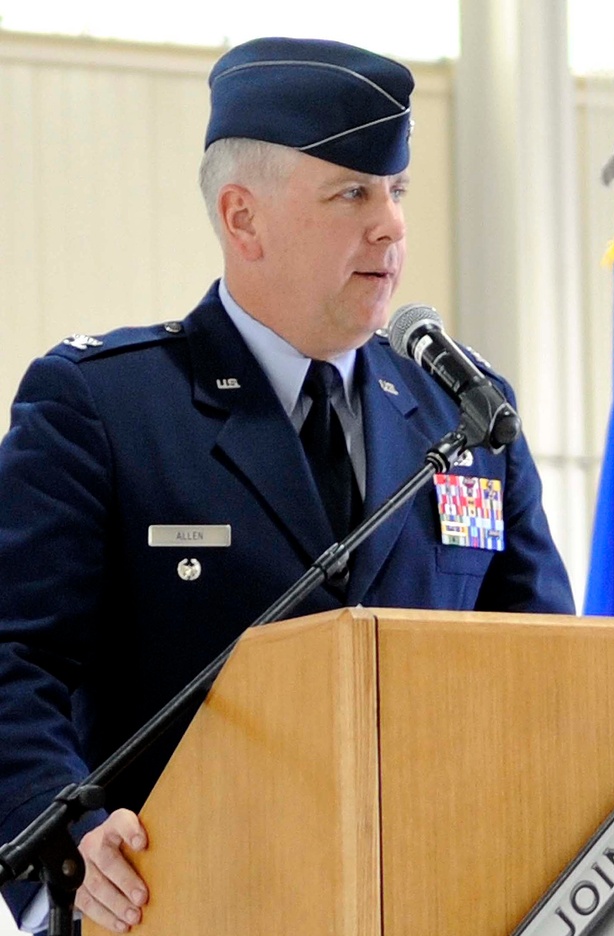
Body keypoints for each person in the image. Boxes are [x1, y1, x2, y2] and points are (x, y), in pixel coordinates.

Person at [0, 36, 575, 933]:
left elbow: (548, 674)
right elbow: (13, 660)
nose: (390, 225)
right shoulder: (107, 408)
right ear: (244, 219)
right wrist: (65, 834)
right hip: (176, 905)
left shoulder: (465, 416)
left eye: (398, 192)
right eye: (352, 192)